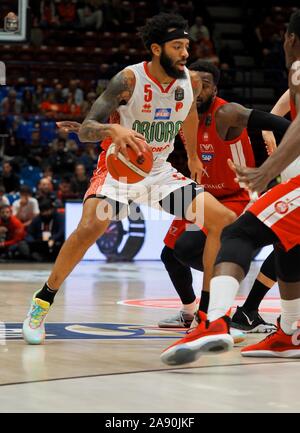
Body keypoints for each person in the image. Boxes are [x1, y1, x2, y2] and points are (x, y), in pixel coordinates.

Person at [22, 12, 237, 345]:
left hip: (160, 174)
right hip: (119, 172)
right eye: (177, 46)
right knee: (90, 228)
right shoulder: (129, 80)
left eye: (186, 46)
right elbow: (87, 130)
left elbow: (190, 116)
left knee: (223, 220)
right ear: (155, 49)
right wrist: (114, 128)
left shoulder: (186, 83)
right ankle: (43, 300)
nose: (185, 54)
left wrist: (193, 156)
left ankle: (208, 316)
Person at [161, 10, 300, 365]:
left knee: (238, 234)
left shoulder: (231, 110)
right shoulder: (183, 111)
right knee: (288, 246)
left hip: (239, 193)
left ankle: (217, 319)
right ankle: (289, 331)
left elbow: (282, 122)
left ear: (290, 38)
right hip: (209, 194)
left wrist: (269, 166)